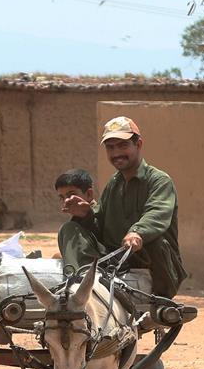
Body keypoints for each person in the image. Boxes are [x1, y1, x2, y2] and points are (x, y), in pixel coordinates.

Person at [57, 117, 187, 298]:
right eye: (110, 147)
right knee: (70, 229)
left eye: (123, 146)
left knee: (155, 241)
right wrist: (86, 214)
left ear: (138, 144)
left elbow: (157, 213)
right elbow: (100, 225)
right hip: (114, 261)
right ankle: (80, 287)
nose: (116, 153)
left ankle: (156, 297)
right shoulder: (114, 184)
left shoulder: (159, 180)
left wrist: (137, 233)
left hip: (151, 263)